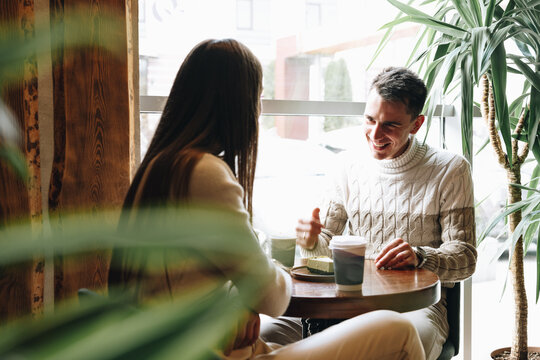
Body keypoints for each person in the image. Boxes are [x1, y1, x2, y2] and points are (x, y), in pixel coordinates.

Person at [108, 40, 426, 360]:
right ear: (236, 103)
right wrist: (268, 274)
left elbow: (193, 277)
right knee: (399, 330)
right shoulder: (205, 174)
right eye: (257, 97)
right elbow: (271, 297)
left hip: (201, 345)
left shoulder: (158, 168)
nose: (258, 111)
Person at [262, 67, 477, 360]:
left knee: (398, 344)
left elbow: (465, 257)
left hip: (414, 308)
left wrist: (420, 257)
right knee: (263, 335)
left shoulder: (450, 169)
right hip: (342, 304)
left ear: (416, 125)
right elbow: (325, 242)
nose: (375, 134)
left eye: (390, 125)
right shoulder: (347, 166)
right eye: (369, 119)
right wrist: (310, 239)